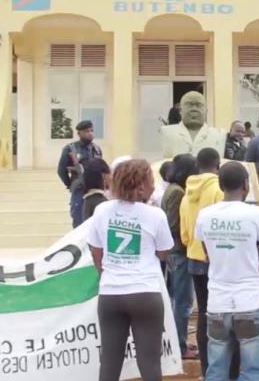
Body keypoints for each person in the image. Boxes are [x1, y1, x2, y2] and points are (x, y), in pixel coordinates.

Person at [86, 159, 172, 381]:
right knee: (149, 363)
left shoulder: (102, 210)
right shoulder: (155, 215)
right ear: (143, 184)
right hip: (145, 293)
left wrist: (107, 274)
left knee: (110, 362)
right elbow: (164, 253)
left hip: (110, 294)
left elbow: (96, 251)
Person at [196, 162, 259, 381]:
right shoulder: (255, 213)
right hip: (250, 302)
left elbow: (207, 253)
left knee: (217, 370)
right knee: (252, 371)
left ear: (220, 185)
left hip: (217, 304)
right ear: (246, 184)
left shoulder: (205, 215)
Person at [180, 148, 231, 378]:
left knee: (204, 315)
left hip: (194, 256)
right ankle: (225, 369)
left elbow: (184, 234)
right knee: (223, 315)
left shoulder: (186, 192)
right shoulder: (219, 189)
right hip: (217, 259)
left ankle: (206, 370)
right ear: (217, 164)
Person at [162, 154, 200, 361]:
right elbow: (173, 224)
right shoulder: (178, 193)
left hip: (175, 252)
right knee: (183, 302)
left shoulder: (172, 189)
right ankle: (180, 345)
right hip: (180, 251)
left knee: (179, 300)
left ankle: (180, 341)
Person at [57, 119, 103, 228]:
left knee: (95, 223)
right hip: (80, 190)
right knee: (79, 222)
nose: (90, 133)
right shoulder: (70, 149)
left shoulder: (97, 149)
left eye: (91, 130)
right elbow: (61, 170)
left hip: (95, 191)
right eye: (86, 131)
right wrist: (70, 184)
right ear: (79, 133)